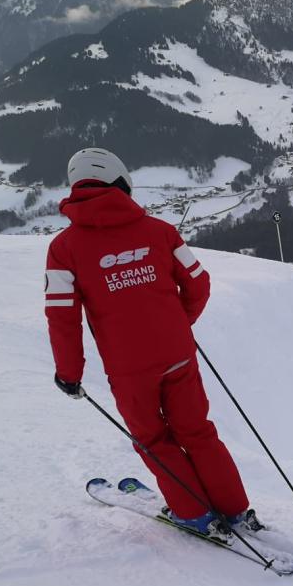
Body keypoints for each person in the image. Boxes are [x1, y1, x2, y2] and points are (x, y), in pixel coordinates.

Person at [45, 147, 258, 539]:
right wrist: (180, 322)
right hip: (178, 354)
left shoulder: (64, 248)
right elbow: (198, 282)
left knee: (153, 439)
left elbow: (62, 317)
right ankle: (235, 509)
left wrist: (69, 374)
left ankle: (193, 514)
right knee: (197, 431)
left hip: (129, 368)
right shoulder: (160, 231)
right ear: (121, 182)